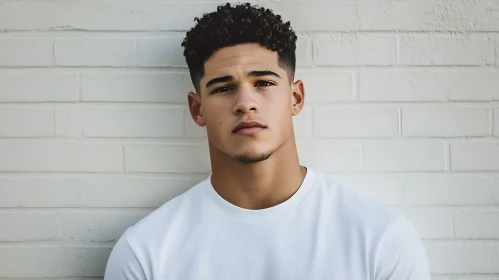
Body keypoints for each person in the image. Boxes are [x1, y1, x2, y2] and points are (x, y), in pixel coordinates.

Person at [103, 3, 431, 279]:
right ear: (197, 107)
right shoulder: (146, 254)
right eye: (223, 87)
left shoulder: (381, 241)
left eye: (263, 82)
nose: (246, 103)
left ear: (296, 97)